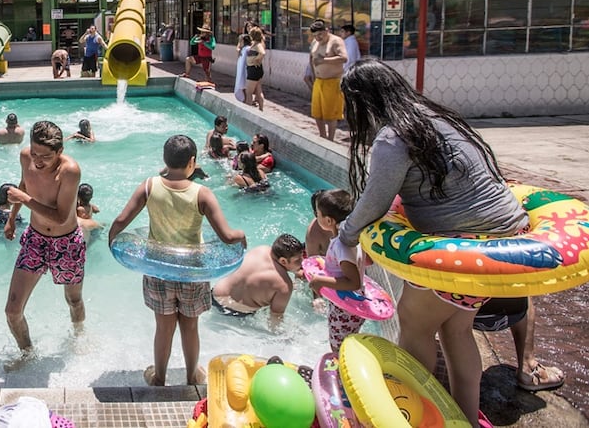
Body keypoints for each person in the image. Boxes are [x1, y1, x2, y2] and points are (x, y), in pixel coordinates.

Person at [334, 58, 529, 426]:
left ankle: (420, 418)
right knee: (456, 329)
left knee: (414, 324)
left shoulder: (393, 138)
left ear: (363, 102)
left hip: (461, 248)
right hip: (503, 242)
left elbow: (374, 203)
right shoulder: (438, 119)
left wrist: (345, 236)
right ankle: (464, 418)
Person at [109, 135, 247, 387]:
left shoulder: (149, 186)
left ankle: (159, 378)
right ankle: (191, 377)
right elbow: (227, 236)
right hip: (192, 272)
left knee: (163, 328)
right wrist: (241, 235)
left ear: (165, 160)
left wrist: (112, 240)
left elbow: (120, 221)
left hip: (158, 269)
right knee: (190, 327)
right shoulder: (202, 194)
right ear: (192, 162)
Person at [2, 120, 84, 368]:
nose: (37, 160)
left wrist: (23, 199)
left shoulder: (70, 171)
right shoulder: (25, 156)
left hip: (66, 242)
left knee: (73, 300)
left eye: (46, 156)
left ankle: (79, 338)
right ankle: (28, 355)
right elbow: (24, 184)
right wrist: (12, 218)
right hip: (35, 239)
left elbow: (60, 216)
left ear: (59, 152)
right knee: (12, 311)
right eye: (35, 153)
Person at [305, 189, 367, 352]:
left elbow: (353, 282)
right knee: (349, 342)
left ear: (328, 220)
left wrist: (319, 280)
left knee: (338, 348)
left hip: (345, 307)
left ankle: (341, 367)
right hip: (354, 302)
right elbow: (366, 263)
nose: (316, 217)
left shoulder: (341, 245)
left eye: (318, 214)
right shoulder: (352, 236)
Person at [211, 233, 305, 330]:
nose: (302, 261)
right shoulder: (285, 286)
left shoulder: (261, 249)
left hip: (214, 296)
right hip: (235, 312)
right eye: (297, 260)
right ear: (283, 261)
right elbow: (275, 319)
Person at [472, 297, 563, 392]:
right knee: (521, 292)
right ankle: (528, 366)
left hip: (466, 312)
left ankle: (464, 376)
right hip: (507, 313)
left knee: (462, 326)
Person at [303, 20, 348, 141]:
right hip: (319, 81)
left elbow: (344, 58)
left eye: (320, 35)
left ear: (326, 31)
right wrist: (312, 73)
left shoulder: (336, 41)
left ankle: (330, 139)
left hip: (333, 81)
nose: (318, 38)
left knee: (330, 115)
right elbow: (312, 58)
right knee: (317, 113)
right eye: (315, 35)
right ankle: (322, 136)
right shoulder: (315, 42)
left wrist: (324, 60)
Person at [244, 27, 266, 111]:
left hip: (254, 69)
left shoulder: (258, 45)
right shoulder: (255, 44)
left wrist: (256, 59)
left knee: (249, 92)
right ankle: (261, 109)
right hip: (254, 69)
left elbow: (262, 53)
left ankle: (247, 110)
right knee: (258, 90)